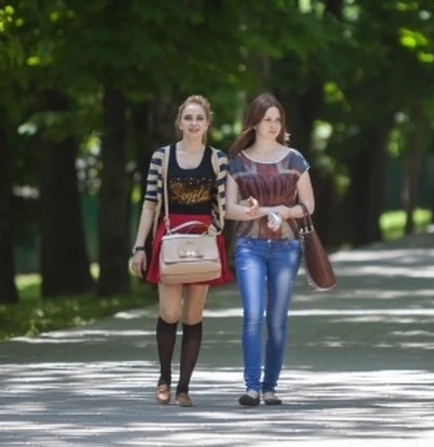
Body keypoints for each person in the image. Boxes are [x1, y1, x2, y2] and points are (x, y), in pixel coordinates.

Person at [129, 94, 233, 408]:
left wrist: (214, 230)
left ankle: (184, 388)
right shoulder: (162, 157)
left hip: (204, 236)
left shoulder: (218, 159)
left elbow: (223, 206)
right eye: (188, 118)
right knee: (169, 312)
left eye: (199, 118)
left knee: (192, 315)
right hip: (170, 235)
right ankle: (164, 377)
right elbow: (149, 204)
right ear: (179, 122)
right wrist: (139, 246)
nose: (193, 123)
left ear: (207, 123)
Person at [224, 93, 315, 407]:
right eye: (267, 120)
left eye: (278, 120)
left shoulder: (295, 160)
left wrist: (285, 211)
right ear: (254, 122)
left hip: (286, 247)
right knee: (252, 315)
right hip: (249, 246)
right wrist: (255, 212)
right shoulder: (237, 162)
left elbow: (309, 205)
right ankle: (251, 387)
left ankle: (270, 387)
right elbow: (228, 209)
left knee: (277, 319)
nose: (273, 125)